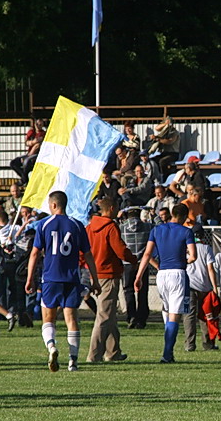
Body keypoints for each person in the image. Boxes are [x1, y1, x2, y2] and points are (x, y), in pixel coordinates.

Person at [25, 191, 99, 372]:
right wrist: (94, 279)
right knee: (71, 319)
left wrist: (29, 279)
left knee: (48, 318)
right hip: (71, 279)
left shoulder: (44, 225)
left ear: (53, 205)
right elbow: (88, 255)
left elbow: (35, 253)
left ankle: (52, 347)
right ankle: (73, 361)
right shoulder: (77, 225)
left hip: (51, 277)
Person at [135, 203, 196, 363]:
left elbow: (147, 254)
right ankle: (167, 353)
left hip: (162, 275)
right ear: (184, 216)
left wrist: (139, 276)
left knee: (168, 313)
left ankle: (169, 352)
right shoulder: (186, 231)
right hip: (177, 274)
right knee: (174, 315)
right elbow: (194, 256)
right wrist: (185, 260)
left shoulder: (156, 230)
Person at [85, 198, 135, 363]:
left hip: (95, 273)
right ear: (112, 208)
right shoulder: (111, 227)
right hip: (109, 274)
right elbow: (121, 250)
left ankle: (113, 352)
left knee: (110, 314)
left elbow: (83, 250)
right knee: (104, 316)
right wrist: (134, 259)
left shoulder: (90, 227)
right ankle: (94, 355)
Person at [184, 225, 221, 351]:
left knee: (189, 315)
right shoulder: (206, 248)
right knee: (206, 314)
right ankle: (208, 343)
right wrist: (215, 287)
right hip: (204, 286)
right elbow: (210, 269)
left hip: (188, 285)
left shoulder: (185, 248)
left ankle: (189, 344)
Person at [119, 207, 152, 329]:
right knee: (143, 291)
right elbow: (159, 225)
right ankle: (141, 319)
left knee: (128, 291)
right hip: (142, 263)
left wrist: (119, 216)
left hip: (127, 263)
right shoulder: (148, 227)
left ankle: (131, 316)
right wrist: (153, 214)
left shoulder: (121, 227)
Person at [10, 117, 46, 184]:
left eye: (40, 125)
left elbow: (37, 146)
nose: (38, 126)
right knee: (13, 163)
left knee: (27, 162)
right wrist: (32, 142)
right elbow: (27, 143)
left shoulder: (43, 134)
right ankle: (25, 179)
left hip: (37, 155)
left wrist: (28, 154)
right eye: (37, 124)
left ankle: (24, 180)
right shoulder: (31, 132)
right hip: (29, 153)